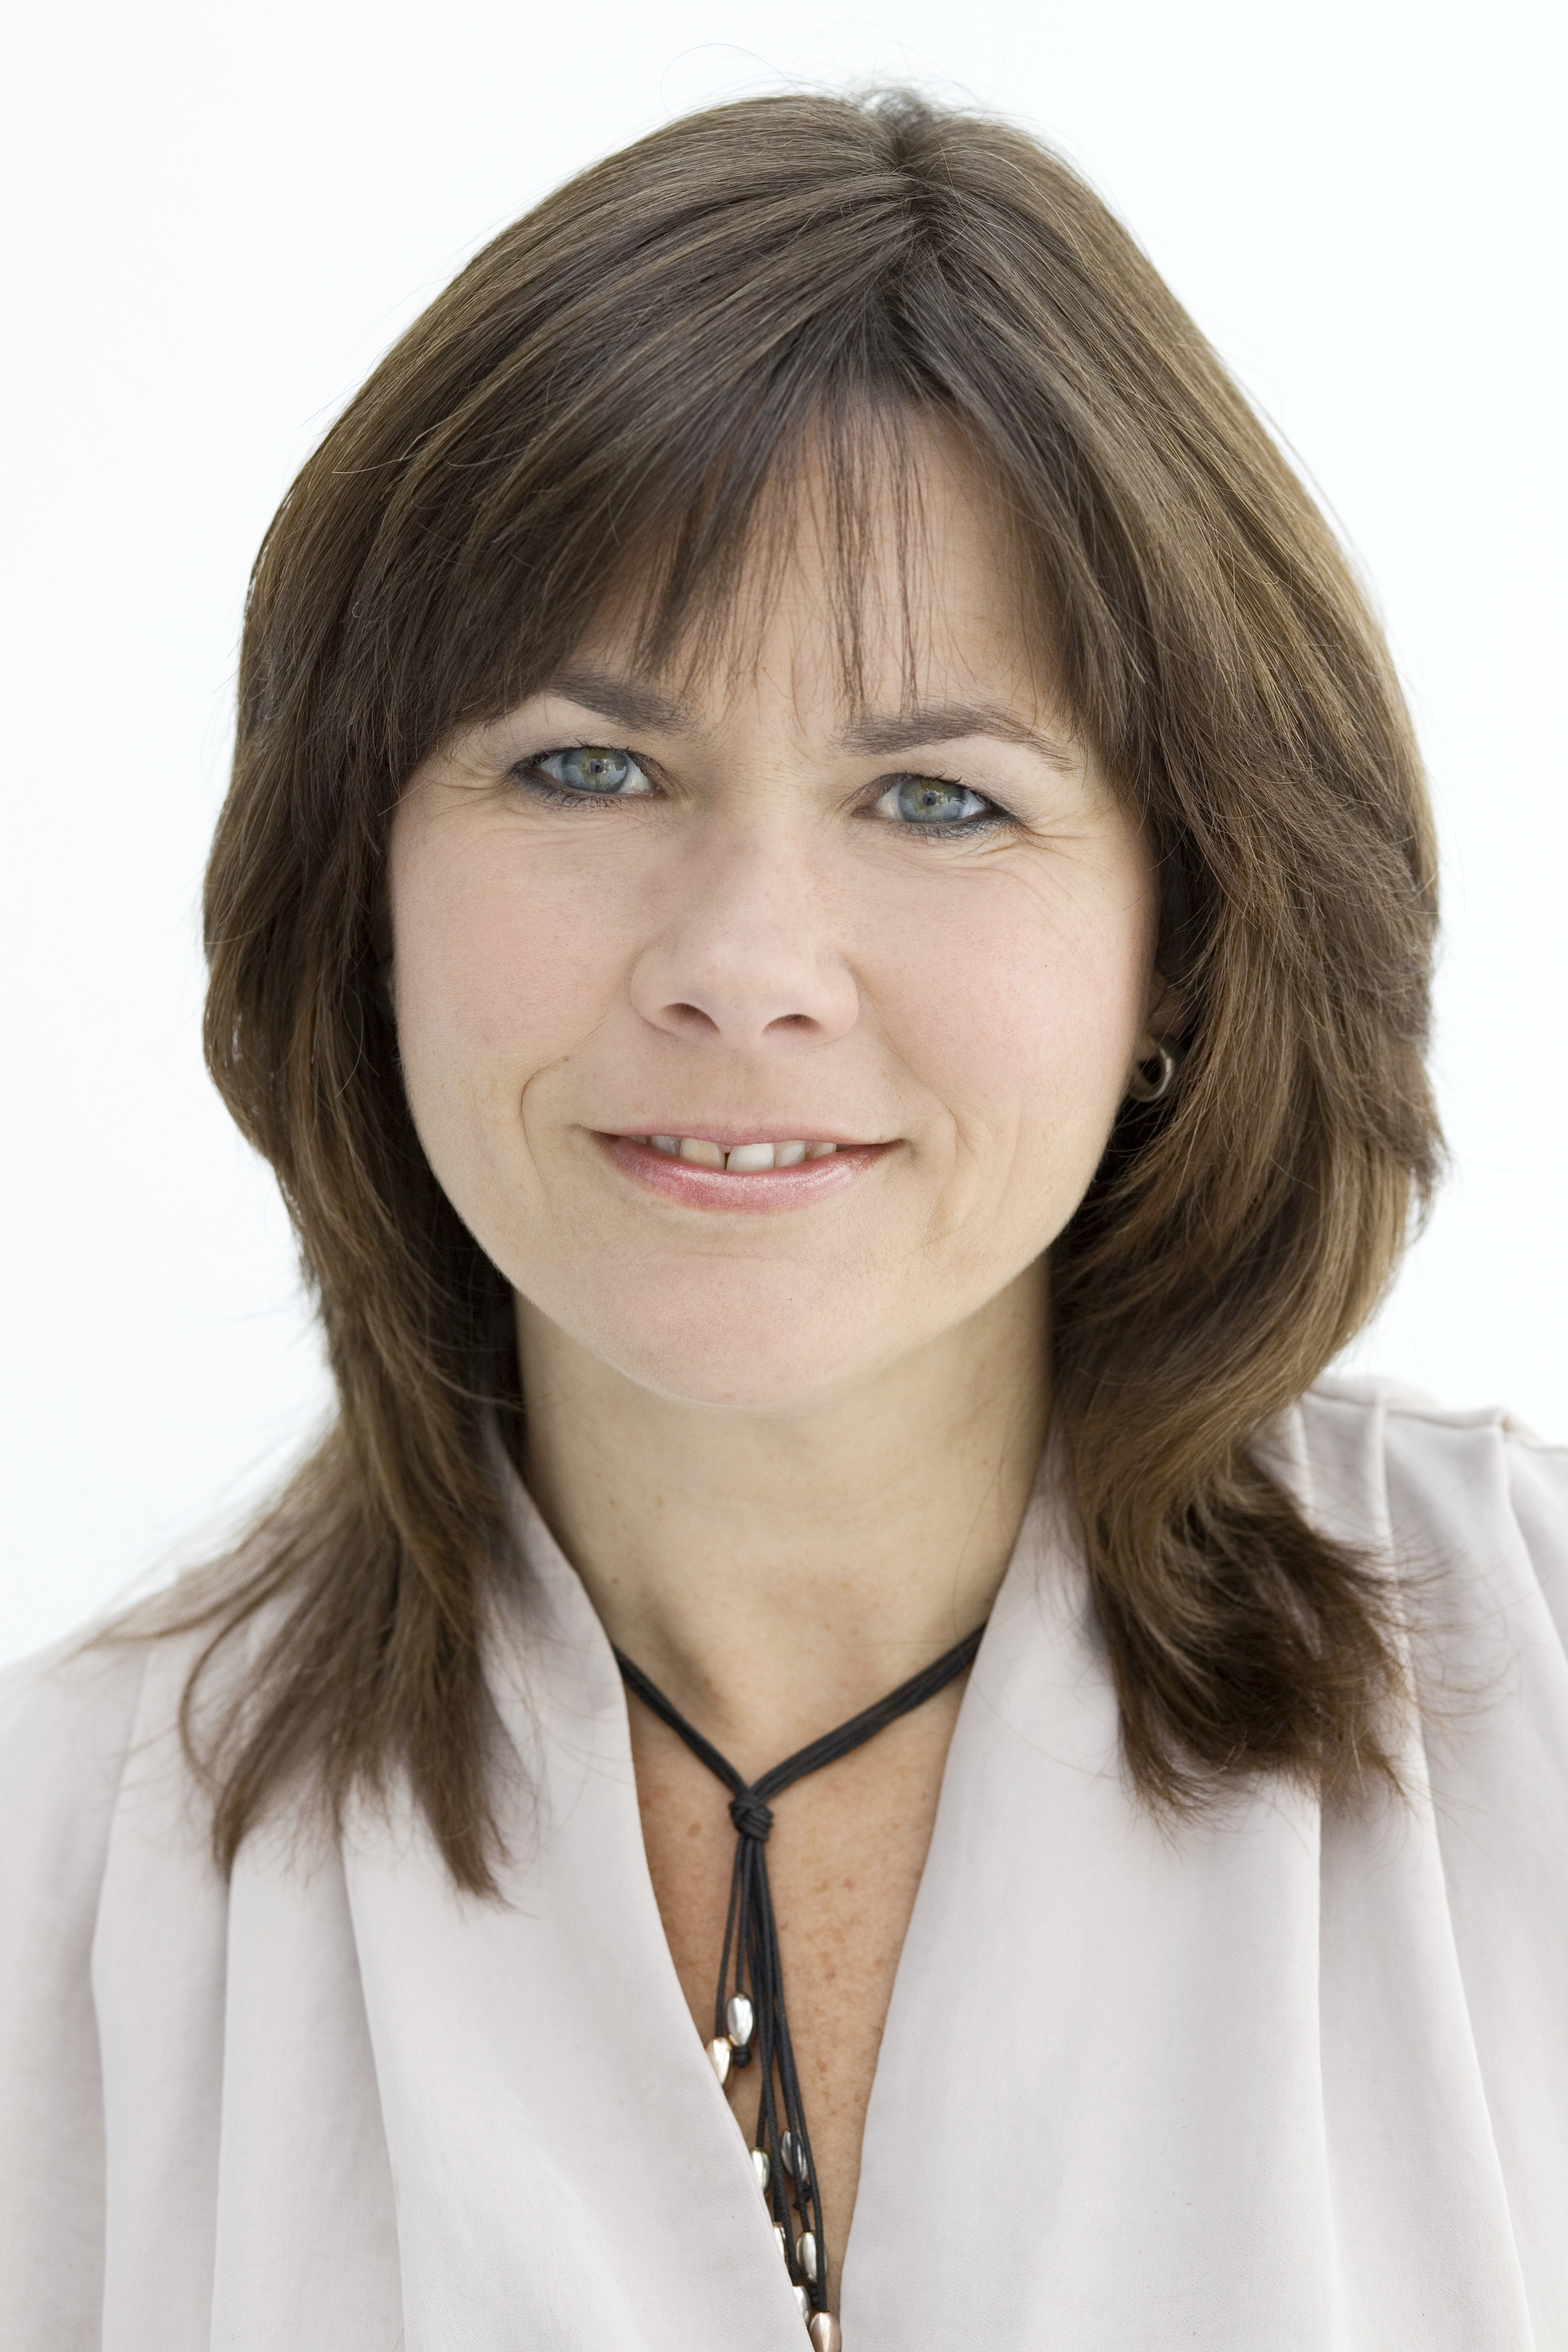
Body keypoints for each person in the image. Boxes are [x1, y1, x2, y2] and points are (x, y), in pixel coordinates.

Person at [2, 88, 1564, 2352]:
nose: (742, 964)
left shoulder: (1536, 1706)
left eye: (936, 797)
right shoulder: (56, 1895)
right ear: (361, 891)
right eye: (587, 767)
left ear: (1185, 940)